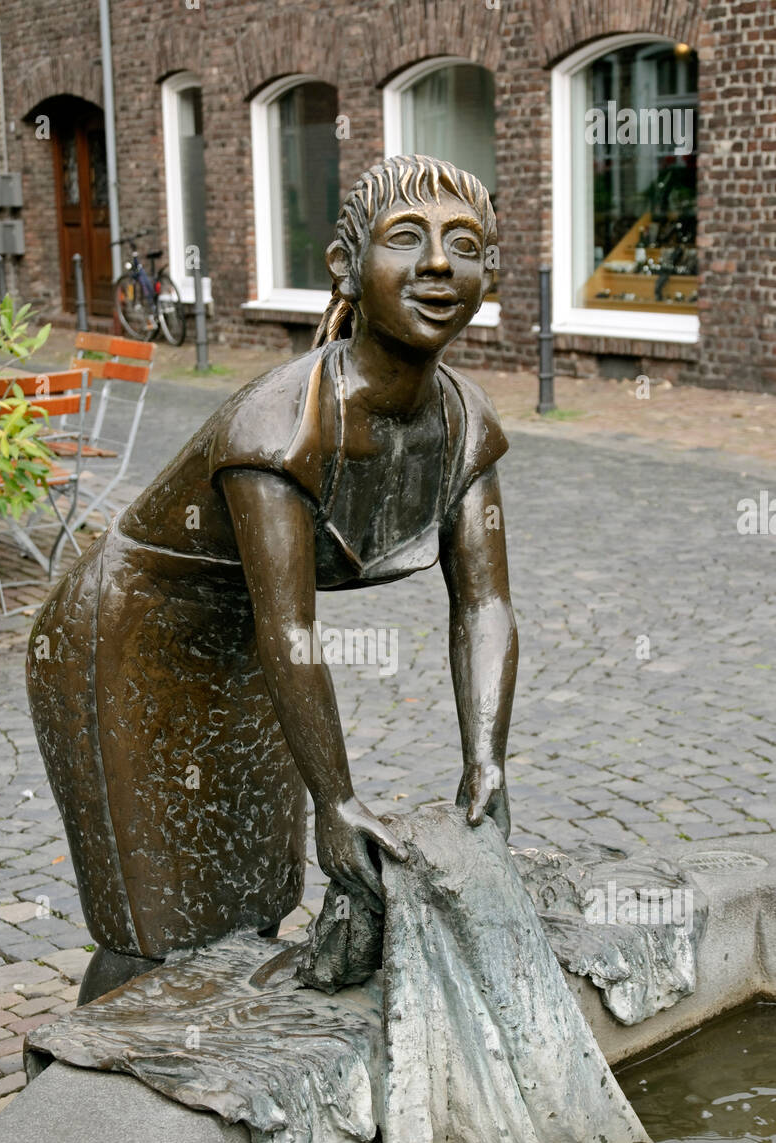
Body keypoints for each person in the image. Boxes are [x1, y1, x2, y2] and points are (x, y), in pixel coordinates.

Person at [27, 154, 518, 1003]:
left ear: (487, 275)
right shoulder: (279, 424)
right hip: (131, 632)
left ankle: (222, 1095)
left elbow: (485, 605)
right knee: (156, 927)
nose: (439, 265)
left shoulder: (464, 420)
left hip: (244, 642)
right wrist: (336, 797)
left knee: (252, 897)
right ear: (347, 268)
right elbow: (291, 628)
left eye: (464, 246)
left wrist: (487, 760)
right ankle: (98, 1103)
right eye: (407, 240)